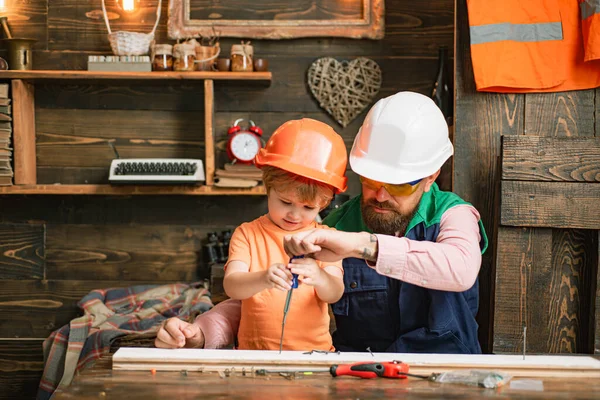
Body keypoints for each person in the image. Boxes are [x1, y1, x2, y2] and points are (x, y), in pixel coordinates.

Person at [155, 91, 488, 354]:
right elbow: (264, 305)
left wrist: (362, 246)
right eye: (370, 180)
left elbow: (459, 268)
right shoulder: (333, 226)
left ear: (431, 176)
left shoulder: (452, 216)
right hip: (358, 381)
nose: (380, 195)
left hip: (445, 381)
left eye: (398, 184)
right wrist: (203, 332)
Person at [198, 119, 347, 351]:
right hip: (253, 355)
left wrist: (320, 276)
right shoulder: (248, 234)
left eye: (308, 208)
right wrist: (263, 278)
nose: (295, 214)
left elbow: (335, 293)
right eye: (285, 202)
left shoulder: (326, 240)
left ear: (324, 204)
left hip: (314, 355)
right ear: (268, 188)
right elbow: (232, 286)